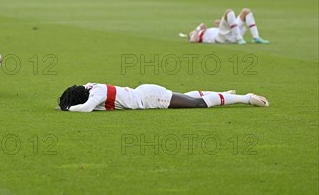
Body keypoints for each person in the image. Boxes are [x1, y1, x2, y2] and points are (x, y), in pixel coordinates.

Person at [57, 83, 269, 112]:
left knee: (196, 104)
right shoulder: (89, 87)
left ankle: (246, 98)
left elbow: (84, 108)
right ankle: (221, 93)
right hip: (145, 92)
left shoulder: (96, 94)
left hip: (150, 98)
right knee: (185, 97)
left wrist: (68, 109)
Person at [188, 8, 270, 45]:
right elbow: (192, 40)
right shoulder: (198, 34)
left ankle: (256, 37)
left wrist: (220, 22)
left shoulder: (205, 31)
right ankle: (239, 38)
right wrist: (198, 28)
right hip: (221, 38)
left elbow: (223, 28)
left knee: (246, 11)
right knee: (229, 12)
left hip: (229, 32)